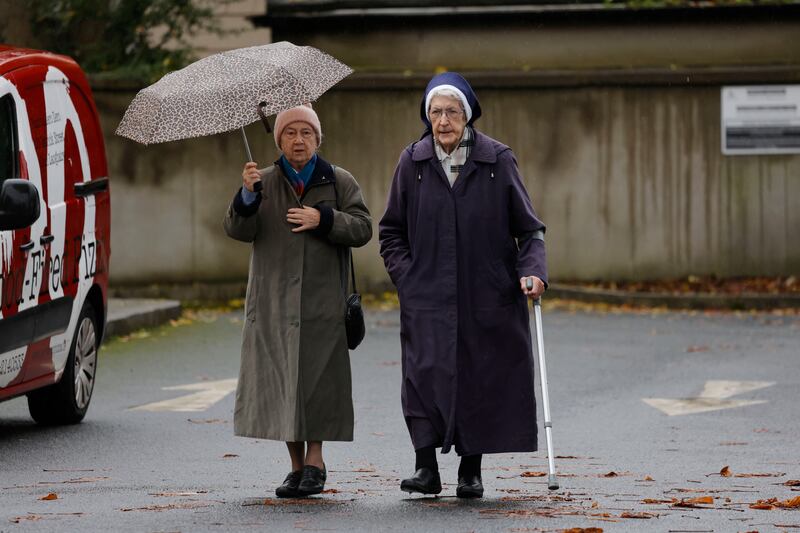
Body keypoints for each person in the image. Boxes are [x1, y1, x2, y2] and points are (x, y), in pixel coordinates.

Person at [378, 73, 547, 499]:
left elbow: (530, 231)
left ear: (467, 115)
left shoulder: (497, 161)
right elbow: (391, 231)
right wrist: (407, 277)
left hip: (485, 292)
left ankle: (471, 471)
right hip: (427, 294)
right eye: (435, 112)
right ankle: (425, 468)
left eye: (452, 111)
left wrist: (533, 271)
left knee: (479, 375)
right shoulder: (412, 163)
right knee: (423, 374)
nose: (443, 120)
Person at [224, 103, 372, 498]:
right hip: (273, 303)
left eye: (306, 132)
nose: (298, 140)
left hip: (324, 303)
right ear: (279, 140)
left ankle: (316, 461)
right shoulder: (263, 181)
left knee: (320, 381)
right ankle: (294, 467)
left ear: (318, 139)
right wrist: (246, 196)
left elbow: (362, 228)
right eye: (290, 133)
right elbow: (238, 230)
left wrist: (323, 220)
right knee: (282, 382)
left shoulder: (339, 181)